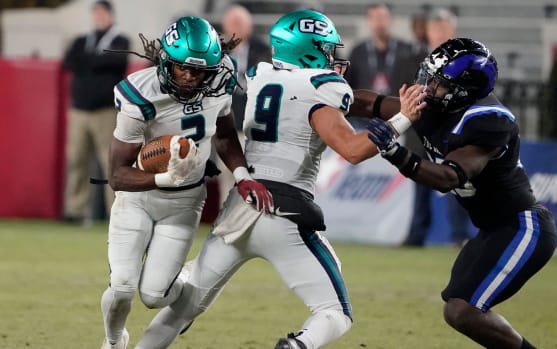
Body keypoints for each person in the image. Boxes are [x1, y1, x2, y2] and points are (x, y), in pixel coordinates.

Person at [132, 9, 421, 349]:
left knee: (185, 307)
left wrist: (400, 105)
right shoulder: (321, 88)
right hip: (283, 214)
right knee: (335, 311)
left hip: (239, 209)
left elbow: (352, 101)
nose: (332, 58)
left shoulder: (261, 75)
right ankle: (298, 346)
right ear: (309, 49)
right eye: (326, 49)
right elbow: (353, 149)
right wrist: (404, 119)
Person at [357, 38, 557, 348]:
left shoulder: (490, 121)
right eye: (429, 76)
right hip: (492, 228)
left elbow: (449, 177)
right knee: (457, 303)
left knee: (462, 309)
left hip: (523, 227)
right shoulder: (433, 106)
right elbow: (369, 103)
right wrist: (323, 92)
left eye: (438, 83)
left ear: (464, 89)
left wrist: (396, 153)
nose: (428, 87)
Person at [99, 16, 272, 349]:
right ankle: (114, 339)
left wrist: (242, 176)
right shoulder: (141, 95)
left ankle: (189, 293)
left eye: (199, 70)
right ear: (165, 60)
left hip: (184, 204)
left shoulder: (218, 81)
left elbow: (223, 135)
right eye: (183, 68)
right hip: (138, 200)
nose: (191, 77)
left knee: (154, 296)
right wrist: (163, 176)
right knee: (121, 287)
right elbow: (117, 175)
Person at [403, 6, 472, 247]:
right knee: (419, 182)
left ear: (453, 31)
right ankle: (416, 235)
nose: (439, 33)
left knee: (455, 182)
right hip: (421, 131)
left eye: (444, 28)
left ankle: (460, 235)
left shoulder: (467, 61)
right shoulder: (414, 59)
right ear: (428, 32)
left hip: (453, 133)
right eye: (435, 28)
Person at [61, 0, 129, 223]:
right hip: (80, 110)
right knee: (76, 160)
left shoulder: (120, 40)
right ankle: (75, 210)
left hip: (105, 110)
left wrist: (89, 62)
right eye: (95, 13)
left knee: (110, 161)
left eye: (102, 13)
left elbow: (117, 61)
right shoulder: (83, 40)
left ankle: (115, 211)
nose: (98, 17)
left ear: (110, 15)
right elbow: (69, 62)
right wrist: (98, 62)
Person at [215, 3, 271, 208]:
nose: (236, 27)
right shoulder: (217, 51)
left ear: (250, 26)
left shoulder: (262, 49)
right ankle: (225, 218)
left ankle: (253, 217)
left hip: (254, 125)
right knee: (227, 176)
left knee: (255, 175)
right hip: (226, 123)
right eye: (232, 22)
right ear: (225, 25)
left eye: (240, 22)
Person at [345, 2, 416, 96]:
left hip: (397, 107)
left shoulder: (407, 51)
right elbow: (347, 85)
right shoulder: (357, 51)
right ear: (368, 21)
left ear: (391, 19)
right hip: (365, 108)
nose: (378, 22)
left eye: (382, 17)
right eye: (373, 18)